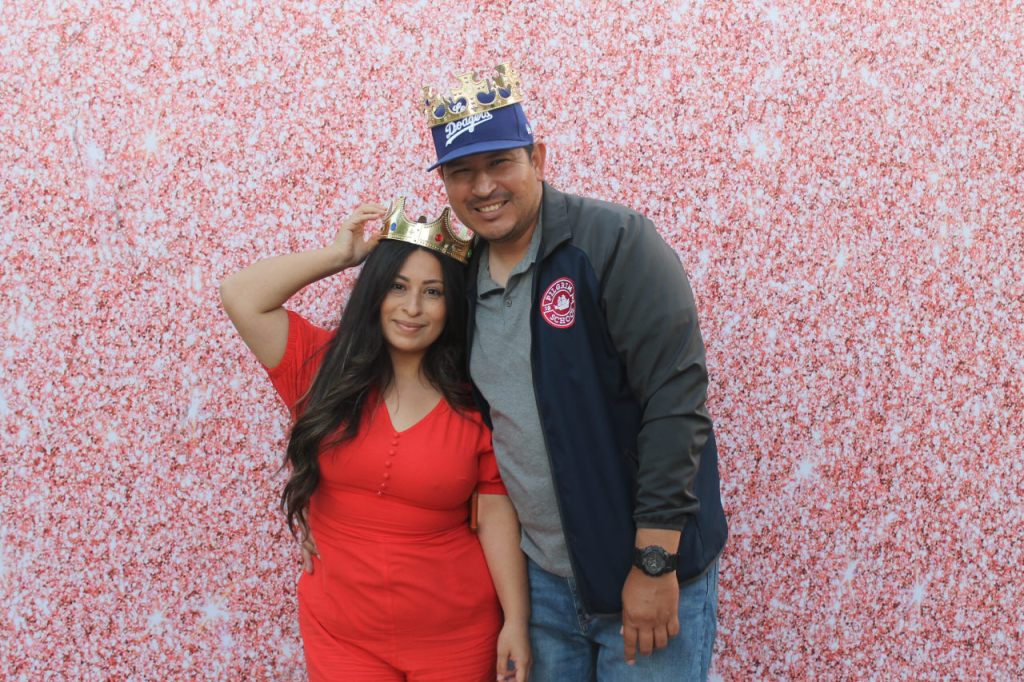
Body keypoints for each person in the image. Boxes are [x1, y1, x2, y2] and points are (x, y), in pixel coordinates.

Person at [415, 64, 729, 681]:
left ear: (538, 157)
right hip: (543, 586)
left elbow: (675, 402)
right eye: (461, 172)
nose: (483, 187)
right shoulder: (460, 279)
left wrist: (655, 562)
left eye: (500, 162)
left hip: (643, 572)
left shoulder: (614, 242)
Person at [220, 199, 531, 681]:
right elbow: (240, 295)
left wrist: (516, 621)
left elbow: (495, 516)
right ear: (374, 293)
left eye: (432, 292)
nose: (412, 308)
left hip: (457, 637)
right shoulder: (322, 372)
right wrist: (340, 256)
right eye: (397, 287)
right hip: (342, 636)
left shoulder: (476, 400)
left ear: (452, 303)